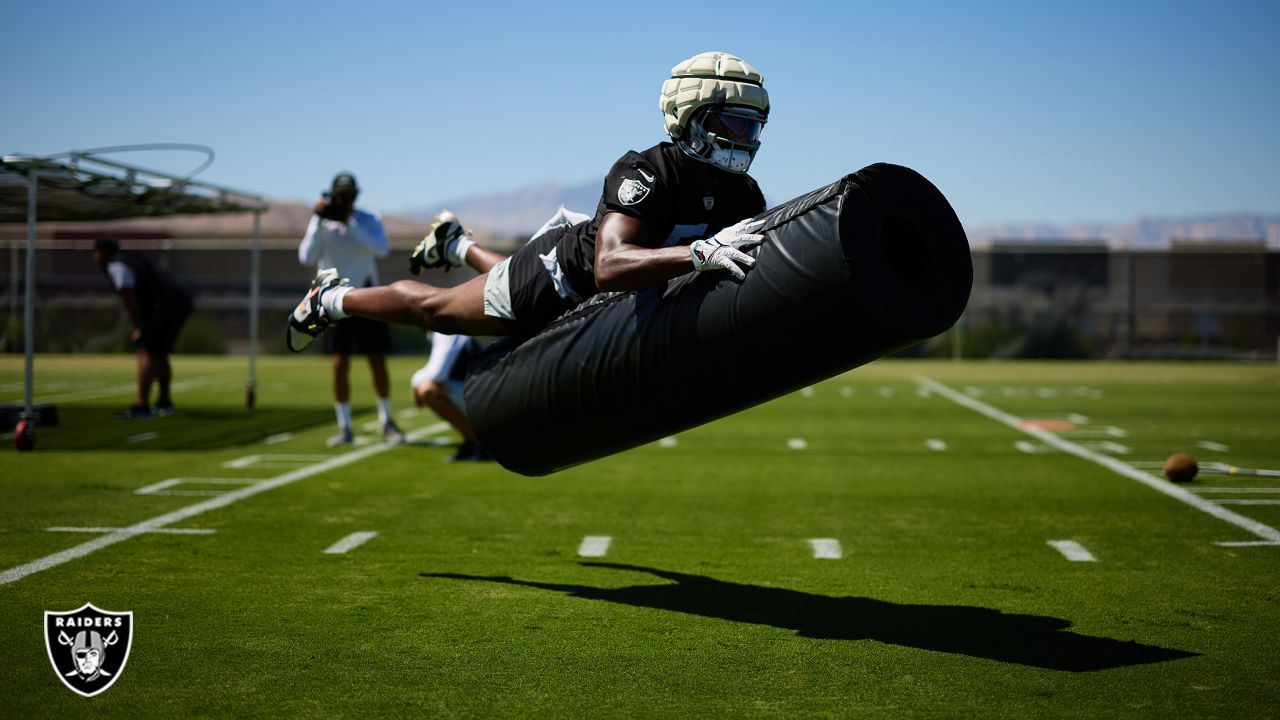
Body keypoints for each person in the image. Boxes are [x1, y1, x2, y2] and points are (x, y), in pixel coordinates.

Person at [287, 50, 769, 350]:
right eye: (734, 123)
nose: (745, 137)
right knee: (439, 312)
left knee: (494, 285)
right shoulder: (646, 170)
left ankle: (455, 244)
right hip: (562, 277)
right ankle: (331, 299)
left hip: (594, 290)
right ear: (690, 117)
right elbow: (609, 265)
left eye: (753, 125)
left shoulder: (742, 193)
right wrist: (698, 253)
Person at [297, 171, 405, 447]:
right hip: (333, 301)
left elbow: (381, 248)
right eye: (340, 197)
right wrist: (320, 220)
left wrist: (350, 223)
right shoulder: (321, 221)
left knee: (377, 360)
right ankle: (344, 426)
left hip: (367, 297)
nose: (344, 201)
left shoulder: (368, 219)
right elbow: (306, 256)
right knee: (339, 362)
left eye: (349, 197)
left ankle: (387, 420)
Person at [92, 237, 193, 419]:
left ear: (104, 252)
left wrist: (139, 326)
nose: (95, 258)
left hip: (164, 305)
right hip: (175, 302)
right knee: (160, 352)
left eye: (96, 252)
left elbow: (127, 297)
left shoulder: (116, 265)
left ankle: (142, 406)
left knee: (146, 350)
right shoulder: (130, 258)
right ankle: (164, 402)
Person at [410, 331, 489, 462]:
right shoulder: (446, 329)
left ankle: (477, 444)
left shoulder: (446, 331)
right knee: (430, 387)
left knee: (427, 390)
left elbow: (438, 374)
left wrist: (414, 383)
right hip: (478, 390)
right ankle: (473, 442)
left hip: (481, 394)